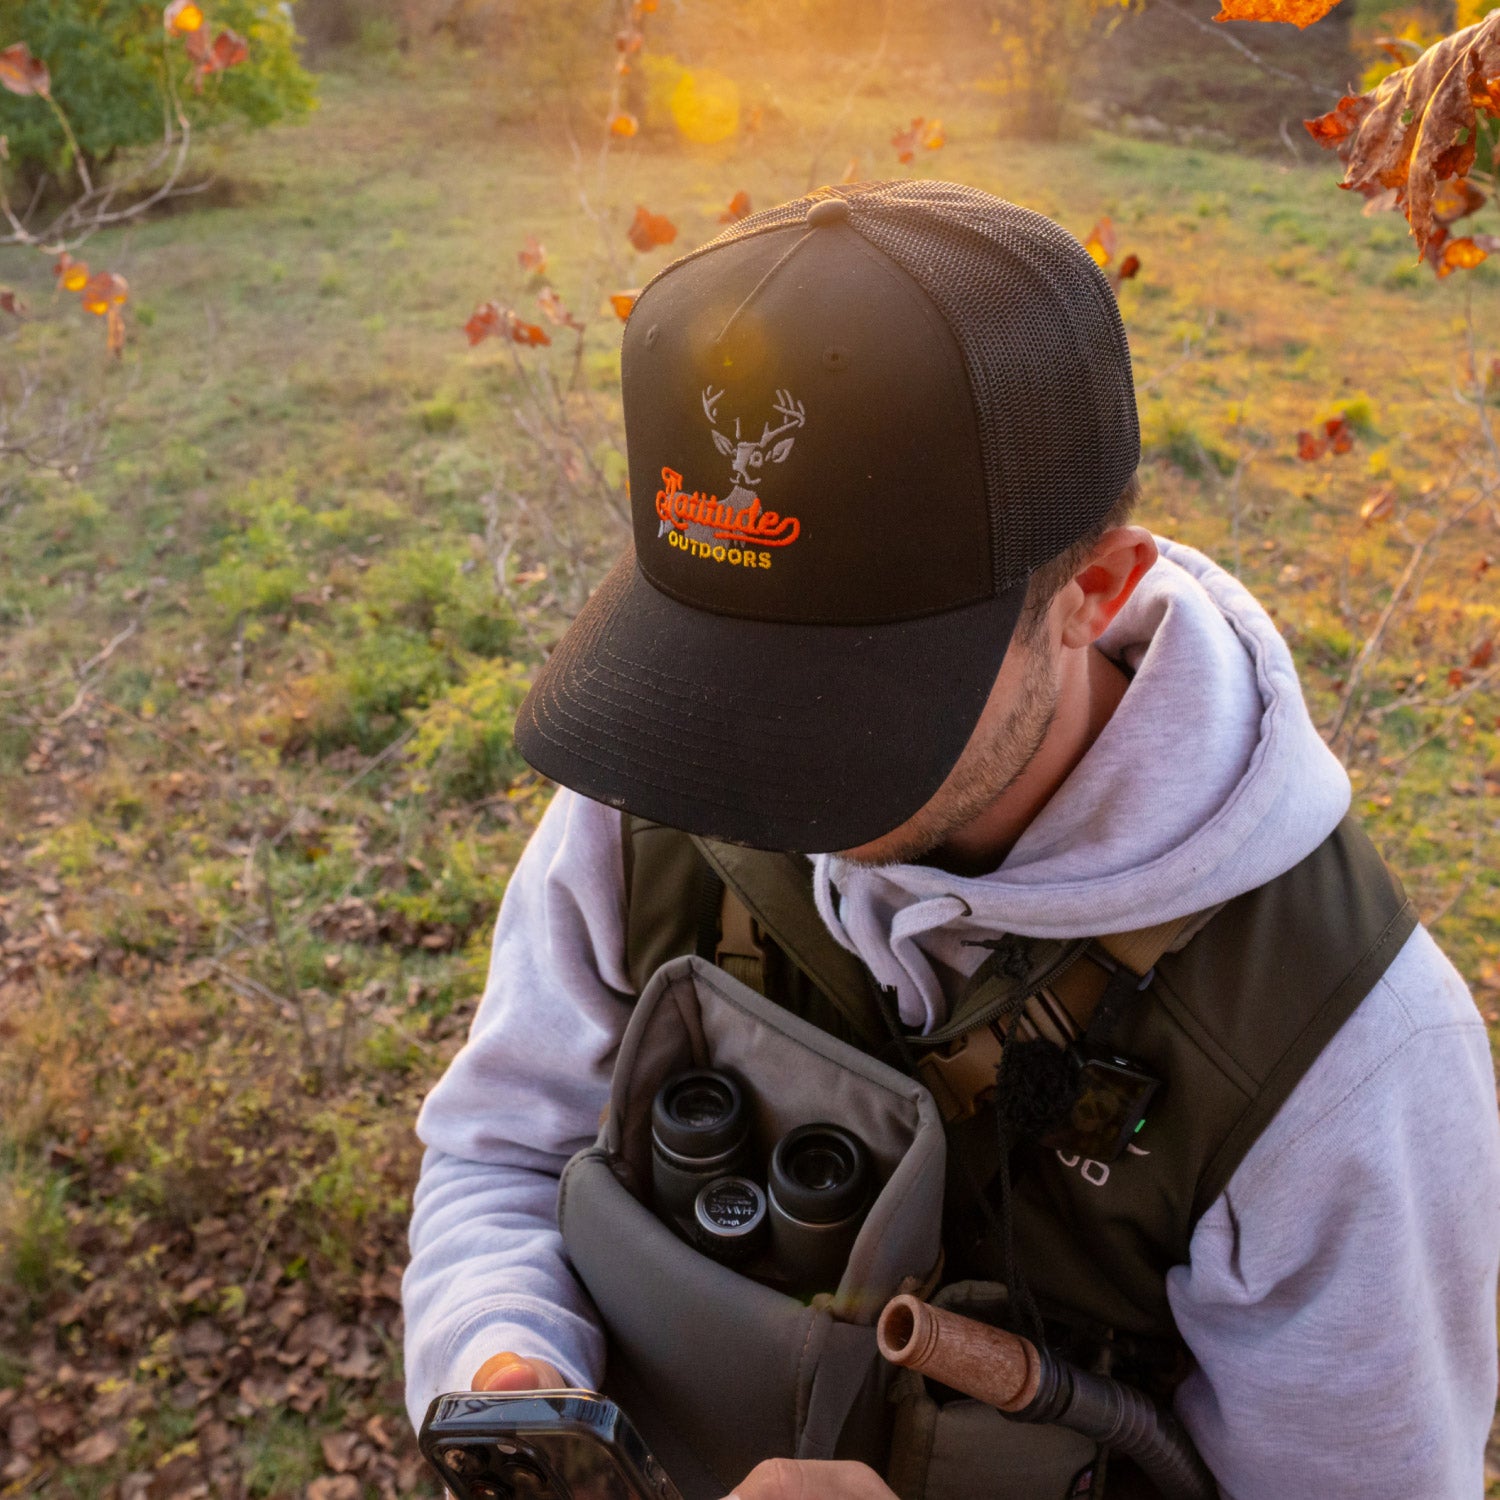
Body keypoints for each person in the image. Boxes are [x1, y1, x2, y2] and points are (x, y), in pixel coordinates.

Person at [402, 182, 1500, 1499]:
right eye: (719, 672)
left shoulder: (1344, 1063)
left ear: (1095, 592)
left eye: (846, 698)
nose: (747, 766)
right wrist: (509, 1370)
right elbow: (503, 1152)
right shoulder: (659, 787)